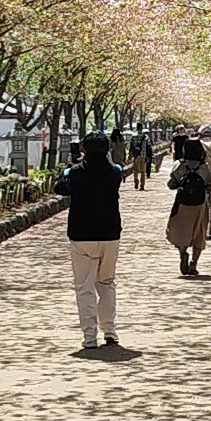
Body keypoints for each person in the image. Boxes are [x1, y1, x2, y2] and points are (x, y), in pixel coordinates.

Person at [54, 131, 124, 349]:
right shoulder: (114, 172)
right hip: (110, 235)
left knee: (84, 287)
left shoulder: (75, 173)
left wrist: (69, 166)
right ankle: (110, 330)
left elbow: (59, 188)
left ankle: (90, 336)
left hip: (82, 235)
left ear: (83, 149)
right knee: (107, 282)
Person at [167, 137, 211, 276]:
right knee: (199, 232)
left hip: (182, 204)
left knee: (181, 230)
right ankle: (194, 264)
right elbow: (210, 185)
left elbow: (171, 184)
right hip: (200, 205)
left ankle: (183, 253)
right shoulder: (204, 166)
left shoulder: (179, 165)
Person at [130, 124, 152, 190]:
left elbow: (131, 146)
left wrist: (130, 155)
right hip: (144, 155)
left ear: (136, 128)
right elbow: (149, 147)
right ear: (142, 128)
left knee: (135, 170)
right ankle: (142, 185)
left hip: (136, 155)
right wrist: (149, 156)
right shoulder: (145, 136)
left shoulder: (133, 136)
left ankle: (136, 181)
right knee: (143, 171)